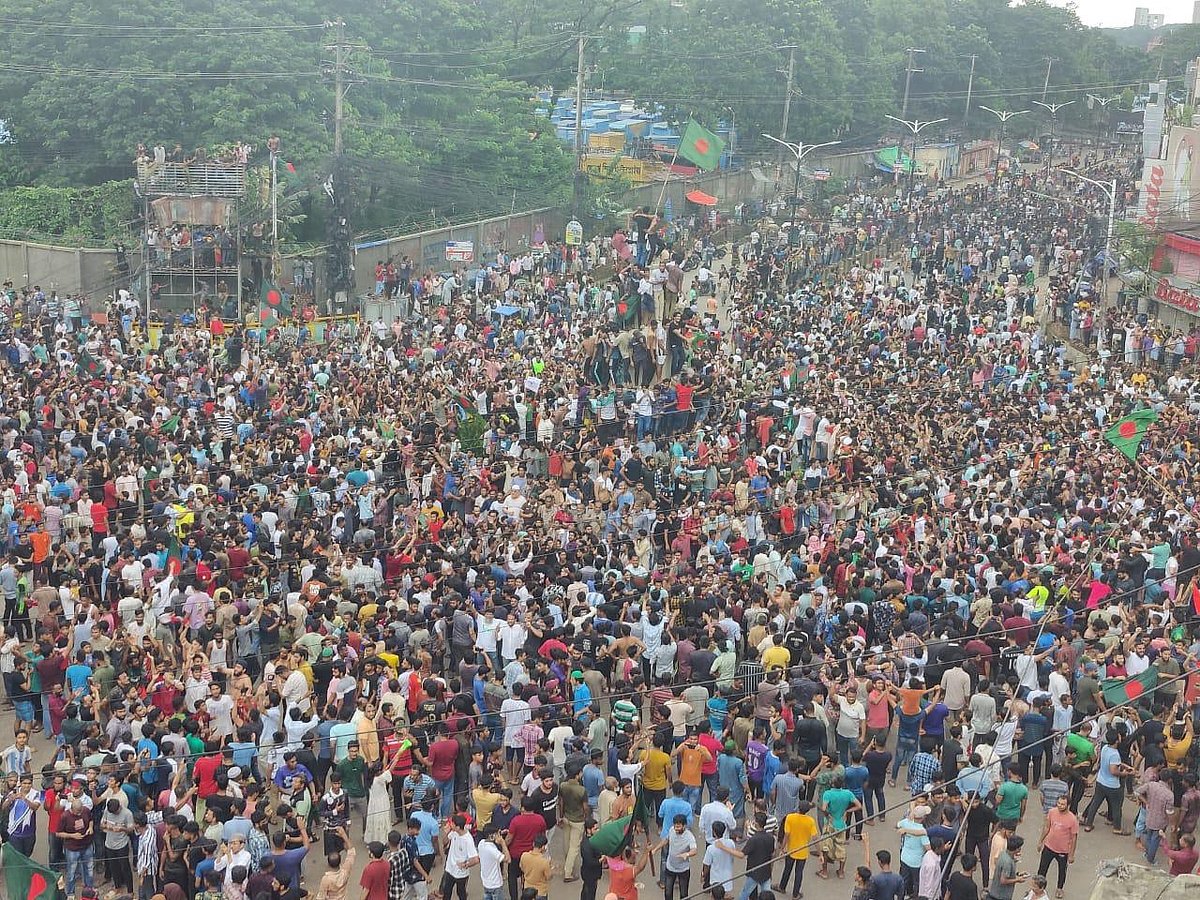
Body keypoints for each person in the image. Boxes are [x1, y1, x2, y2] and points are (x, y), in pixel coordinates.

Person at [1036, 795, 1077, 899]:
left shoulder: (1072, 819)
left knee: (1062, 871)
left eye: (1063, 804)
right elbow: (1046, 827)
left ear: (1068, 805)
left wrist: (1071, 855)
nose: (1060, 806)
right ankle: (1038, 887)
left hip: (1063, 850)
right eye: (1058, 803)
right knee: (1042, 869)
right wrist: (1040, 841)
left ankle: (1059, 888)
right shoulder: (1052, 812)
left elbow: (1074, 838)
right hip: (1049, 846)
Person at [777, 800, 818, 900]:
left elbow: (786, 835)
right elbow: (815, 839)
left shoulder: (790, 818)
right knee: (799, 873)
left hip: (791, 850)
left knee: (787, 869)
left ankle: (782, 887)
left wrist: (782, 849)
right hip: (803, 851)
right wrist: (820, 853)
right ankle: (795, 894)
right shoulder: (810, 821)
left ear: (798, 808)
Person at [653, 813, 697, 900]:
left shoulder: (689, 837)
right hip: (670, 867)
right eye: (675, 826)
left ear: (684, 826)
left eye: (679, 827)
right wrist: (656, 849)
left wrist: (687, 854)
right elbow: (666, 840)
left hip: (683, 870)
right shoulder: (671, 830)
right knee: (668, 893)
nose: (676, 829)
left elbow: (694, 850)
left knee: (684, 894)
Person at [442, 814, 480, 900]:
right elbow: (444, 842)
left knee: (461, 892)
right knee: (446, 892)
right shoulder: (454, 833)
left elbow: (475, 859)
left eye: (452, 824)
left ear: (458, 827)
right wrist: (447, 832)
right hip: (450, 869)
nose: (450, 824)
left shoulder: (468, 839)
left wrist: (466, 864)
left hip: (461, 873)